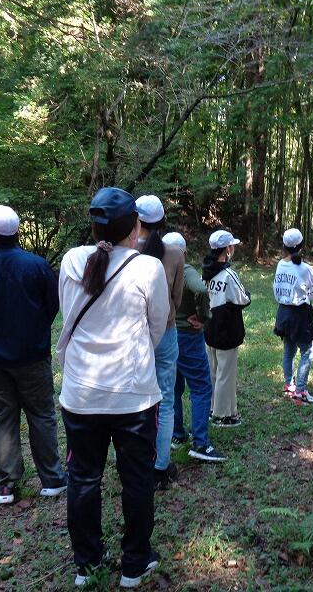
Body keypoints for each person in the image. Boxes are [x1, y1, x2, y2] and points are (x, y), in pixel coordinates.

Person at [56, 187, 169, 588]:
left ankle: (86, 564)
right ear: (136, 227)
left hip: (80, 394)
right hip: (133, 396)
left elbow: (69, 313)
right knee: (137, 479)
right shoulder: (148, 267)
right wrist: (135, 354)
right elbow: (157, 325)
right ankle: (135, 563)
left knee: (83, 478)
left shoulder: (71, 260)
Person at [0, 205, 66, 506]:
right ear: (17, 232)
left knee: (2, 416)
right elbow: (52, 306)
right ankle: (52, 479)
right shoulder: (37, 266)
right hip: (32, 355)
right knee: (41, 414)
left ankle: (6, 484)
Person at [162, 232, 226, 462]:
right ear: (184, 252)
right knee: (201, 387)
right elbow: (200, 288)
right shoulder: (186, 269)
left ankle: (177, 433)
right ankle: (200, 443)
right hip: (188, 336)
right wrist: (203, 316)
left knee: (174, 387)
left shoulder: (158, 268)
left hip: (168, 334)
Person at [135, 195, 184, 491]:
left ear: (135, 221)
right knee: (165, 400)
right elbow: (176, 297)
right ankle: (160, 467)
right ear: (163, 221)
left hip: (134, 335)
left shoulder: (124, 251)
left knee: (135, 399)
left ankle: (136, 461)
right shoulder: (175, 253)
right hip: (166, 331)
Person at [202, 230, 251, 427]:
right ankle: (222, 416)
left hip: (210, 328)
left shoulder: (205, 272)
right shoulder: (229, 274)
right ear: (228, 249)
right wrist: (248, 294)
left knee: (214, 371)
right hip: (227, 329)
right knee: (226, 374)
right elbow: (242, 299)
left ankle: (215, 408)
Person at [272, 228, 313, 404]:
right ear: (301, 246)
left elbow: (276, 289)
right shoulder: (305, 268)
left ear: (284, 246)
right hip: (300, 315)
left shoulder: (280, 265)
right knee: (307, 351)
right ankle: (300, 391)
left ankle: (289, 385)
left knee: (289, 350)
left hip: (283, 313)